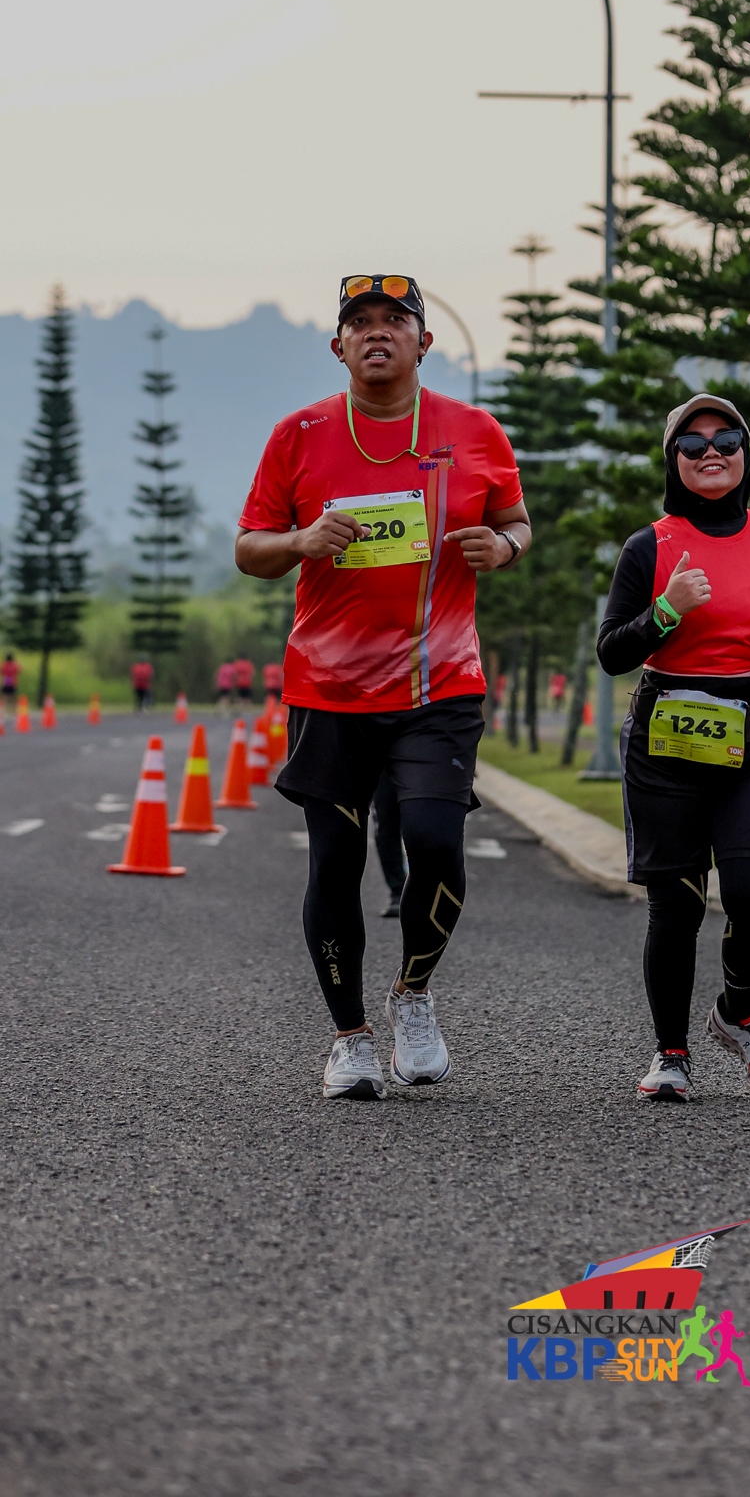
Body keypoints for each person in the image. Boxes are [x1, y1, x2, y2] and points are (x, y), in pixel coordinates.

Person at [236, 273, 530, 1100]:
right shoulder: (299, 434)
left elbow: (515, 519)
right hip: (329, 690)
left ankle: (414, 995)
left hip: (440, 684)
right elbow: (249, 548)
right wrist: (300, 541)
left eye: (394, 320)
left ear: (422, 342)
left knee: (434, 841)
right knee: (335, 863)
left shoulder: (474, 430)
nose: (376, 332)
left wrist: (505, 548)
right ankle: (350, 1038)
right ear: (337, 346)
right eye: (358, 322)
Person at [598, 393, 750, 1104]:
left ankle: (737, 1013)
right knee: (677, 908)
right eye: (692, 444)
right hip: (667, 742)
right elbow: (611, 651)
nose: (712, 452)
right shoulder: (649, 546)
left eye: (726, 439)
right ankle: (670, 1055)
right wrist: (665, 611)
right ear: (674, 461)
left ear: (746, 453)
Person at [371, 770, 409, 918]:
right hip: (382, 763)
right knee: (385, 821)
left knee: (423, 824)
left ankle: (428, 888)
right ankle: (398, 891)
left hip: (424, 760)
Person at [1, 652, 20, 718]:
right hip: (12, 681)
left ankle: (3, 709)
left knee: (5, 695)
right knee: (13, 696)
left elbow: (1, 671)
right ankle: (13, 710)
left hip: (6, 681)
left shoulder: (4, 664)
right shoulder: (14, 665)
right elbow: (18, 670)